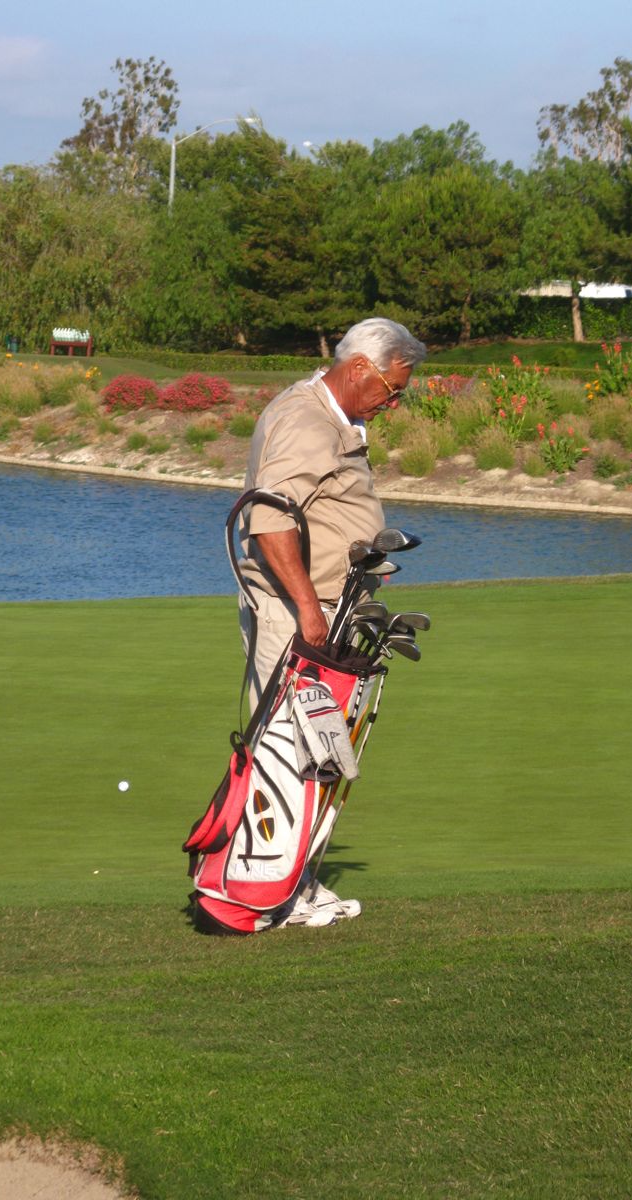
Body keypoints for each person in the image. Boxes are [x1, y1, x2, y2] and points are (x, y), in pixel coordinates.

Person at [237, 316, 427, 927]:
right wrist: (309, 607)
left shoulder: (341, 417)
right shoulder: (303, 419)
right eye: (392, 389)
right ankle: (267, 892)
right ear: (359, 369)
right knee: (287, 750)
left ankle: (299, 884)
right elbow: (269, 522)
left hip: (326, 611)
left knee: (321, 751)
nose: (394, 403)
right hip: (296, 614)